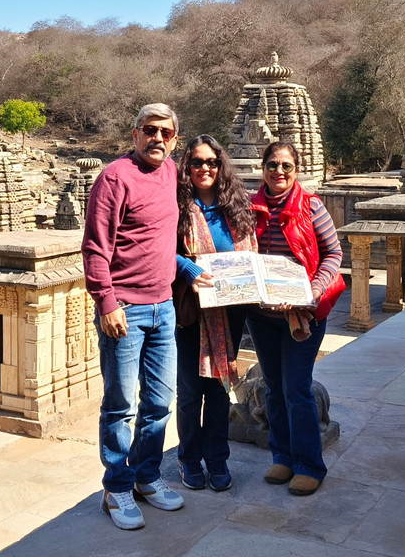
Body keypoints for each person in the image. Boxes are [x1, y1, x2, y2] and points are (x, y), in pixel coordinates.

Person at [82, 103, 185, 530]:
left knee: (159, 403)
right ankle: (117, 488)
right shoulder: (114, 177)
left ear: (174, 139)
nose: (157, 139)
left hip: (165, 306)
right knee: (121, 405)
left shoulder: (173, 172)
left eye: (165, 133)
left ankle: (146, 477)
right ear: (134, 134)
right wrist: (106, 302)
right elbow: (94, 246)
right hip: (125, 308)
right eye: (149, 131)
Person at [245, 141, 345, 496]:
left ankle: (309, 466)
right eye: (272, 165)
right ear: (263, 168)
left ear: (296, 170)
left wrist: (313, 291)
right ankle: (283, 456)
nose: (279, 172)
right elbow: (240, 254)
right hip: (262, 314)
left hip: (303, 314)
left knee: (296, 389)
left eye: (286, 166)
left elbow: (333, 253)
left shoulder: (311, 206)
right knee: (272, 388)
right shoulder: (248, 208)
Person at [173, 135, 256, 493]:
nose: (204, 168)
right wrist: (188, 270)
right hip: (191, 310)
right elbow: (159, 249)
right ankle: (190, 460)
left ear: (221, 166)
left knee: (221, 387)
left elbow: (250, 251)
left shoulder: (235, 206)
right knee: (191, 391)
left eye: (211, 162)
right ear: (186, 167)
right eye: (196, 162)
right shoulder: (176, 206)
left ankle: (218, 459)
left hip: (230, 308)